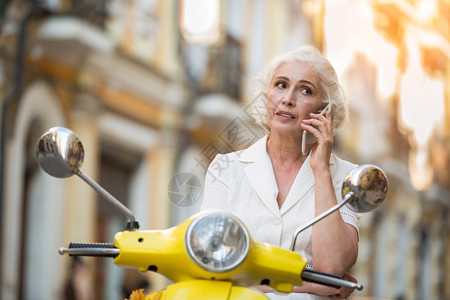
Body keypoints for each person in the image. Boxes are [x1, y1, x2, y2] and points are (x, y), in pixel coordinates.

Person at [201, 46, 359, 299]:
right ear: (267, 97)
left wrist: (321, 172)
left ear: (324, 110)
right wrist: (311, 284)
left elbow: (331, 266)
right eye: (281, 85)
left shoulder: (347, 176)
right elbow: (211, 263)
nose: (288, 98)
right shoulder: (225, 169)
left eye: (305, 90)